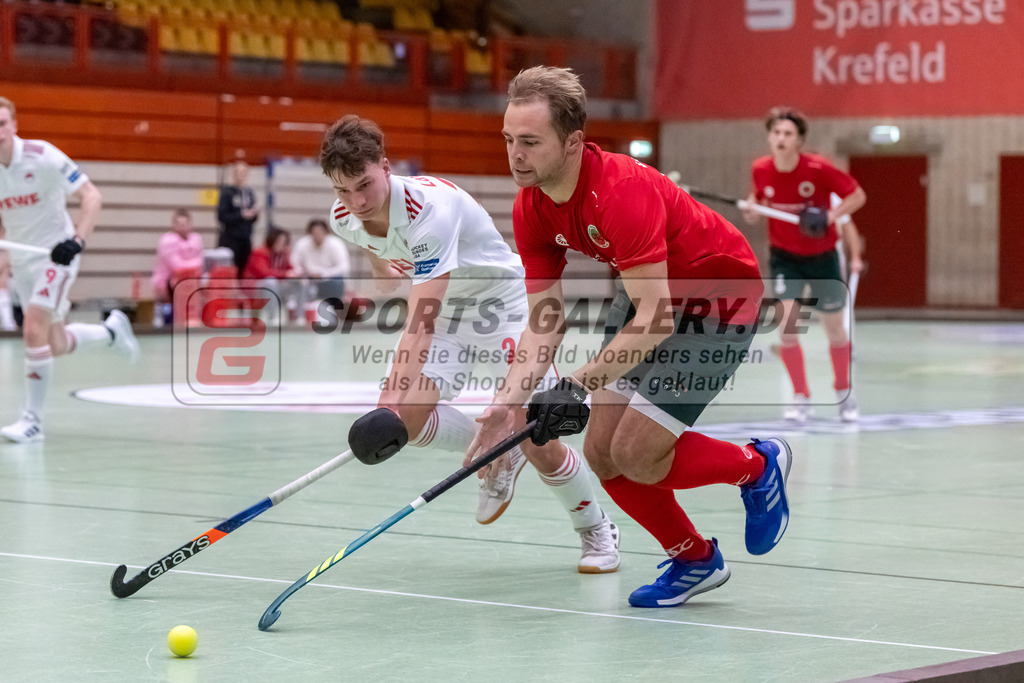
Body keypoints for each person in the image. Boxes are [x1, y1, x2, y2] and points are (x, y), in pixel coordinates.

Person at [468, 66, 793, 608]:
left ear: (573, 142)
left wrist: (572, 383)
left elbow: (656, 321)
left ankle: (758, 467)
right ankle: (694, 559)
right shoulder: (531, 204)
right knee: (602, 452)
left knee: (638, 454)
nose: (515, 155)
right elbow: (545, 318)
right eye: (508, 140)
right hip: (649, 295)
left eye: (529, 141)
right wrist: (509, 404)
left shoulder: (619, 192)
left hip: (719, 301)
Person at [321, 114, 620, 573]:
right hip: (449, 313)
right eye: (343, 190)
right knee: (412, 418)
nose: (356, 201)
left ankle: (596, 529)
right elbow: (368, 239)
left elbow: (419, 320)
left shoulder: (428, 212)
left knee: (538, 432)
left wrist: (384, 405)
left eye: (364, 185)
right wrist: (381, 267)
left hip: (503, 306)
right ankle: (503, 453)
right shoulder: (344, 215)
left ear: (385, 166)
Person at [0, 96, 139, 444]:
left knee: (32, 330)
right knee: (55, 343)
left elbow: (92, 196)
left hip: (57, 255)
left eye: (2, 124)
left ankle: (32, 423)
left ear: (14, 125)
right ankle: (111, 331)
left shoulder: (42, 156)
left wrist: (77, 240)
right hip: (23, 259)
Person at [743, 106, 867, 423]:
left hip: (823, 257)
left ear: (799, 140)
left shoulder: (818, 168)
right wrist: (753, 209)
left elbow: (857, 196)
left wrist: (830, 216)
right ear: (770, 137)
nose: (781, 139)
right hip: (785, 257)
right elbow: (758, 199)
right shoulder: (761, 168)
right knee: (787, 329)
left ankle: (843, 392)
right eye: (776, 133)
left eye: (788, 134)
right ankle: (801, 398)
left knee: (835, 330)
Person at [151, 207, 204, 309]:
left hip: (190, 282)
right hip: (169, 283)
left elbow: (201, 262)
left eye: (185, 224)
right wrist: (194, 264)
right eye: (179, 224)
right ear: (174, 225)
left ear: (190, 224)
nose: (182, 227)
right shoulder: (168, 241)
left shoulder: (195, 240)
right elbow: (177, 266)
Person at [291, 217, 351, 301]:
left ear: (326, 233)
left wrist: (323, 274)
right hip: (307, 279)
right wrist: (304, 273)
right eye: (314, 233)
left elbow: (344, 267)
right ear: (310, 233)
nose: (317, 235)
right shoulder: (302, 244)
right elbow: (294, 264)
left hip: (330, 280)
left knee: (337, 282)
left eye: (320, 232)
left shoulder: (336, 244)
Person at [216, 159, 259, 276]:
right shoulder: (227, 193)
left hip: (245, 237)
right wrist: (241, 215)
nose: (241, 175)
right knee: (230, 268)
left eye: (244, 172)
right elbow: (221, 216)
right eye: (238, 172)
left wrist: (254, 214)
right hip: (231, 238)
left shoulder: (249, 192)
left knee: (243, 267)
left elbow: (252, 217)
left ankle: (239, 289)